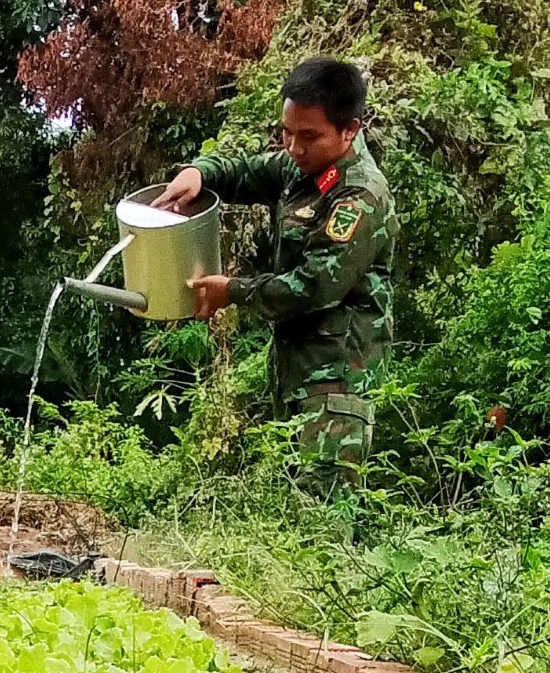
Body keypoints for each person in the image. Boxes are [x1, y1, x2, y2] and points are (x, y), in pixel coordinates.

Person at [155, 55, 396, 473]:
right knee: (290, 524)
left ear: (349, 131)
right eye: (286, 133)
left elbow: (317, 283)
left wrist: (233, 291)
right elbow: (245, 171)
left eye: (309, 136)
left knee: (319, 521)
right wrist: (199, 172)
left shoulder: (359, 196)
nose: (294, 147)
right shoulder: (301, 167)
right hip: (295, 376)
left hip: (336, 381)